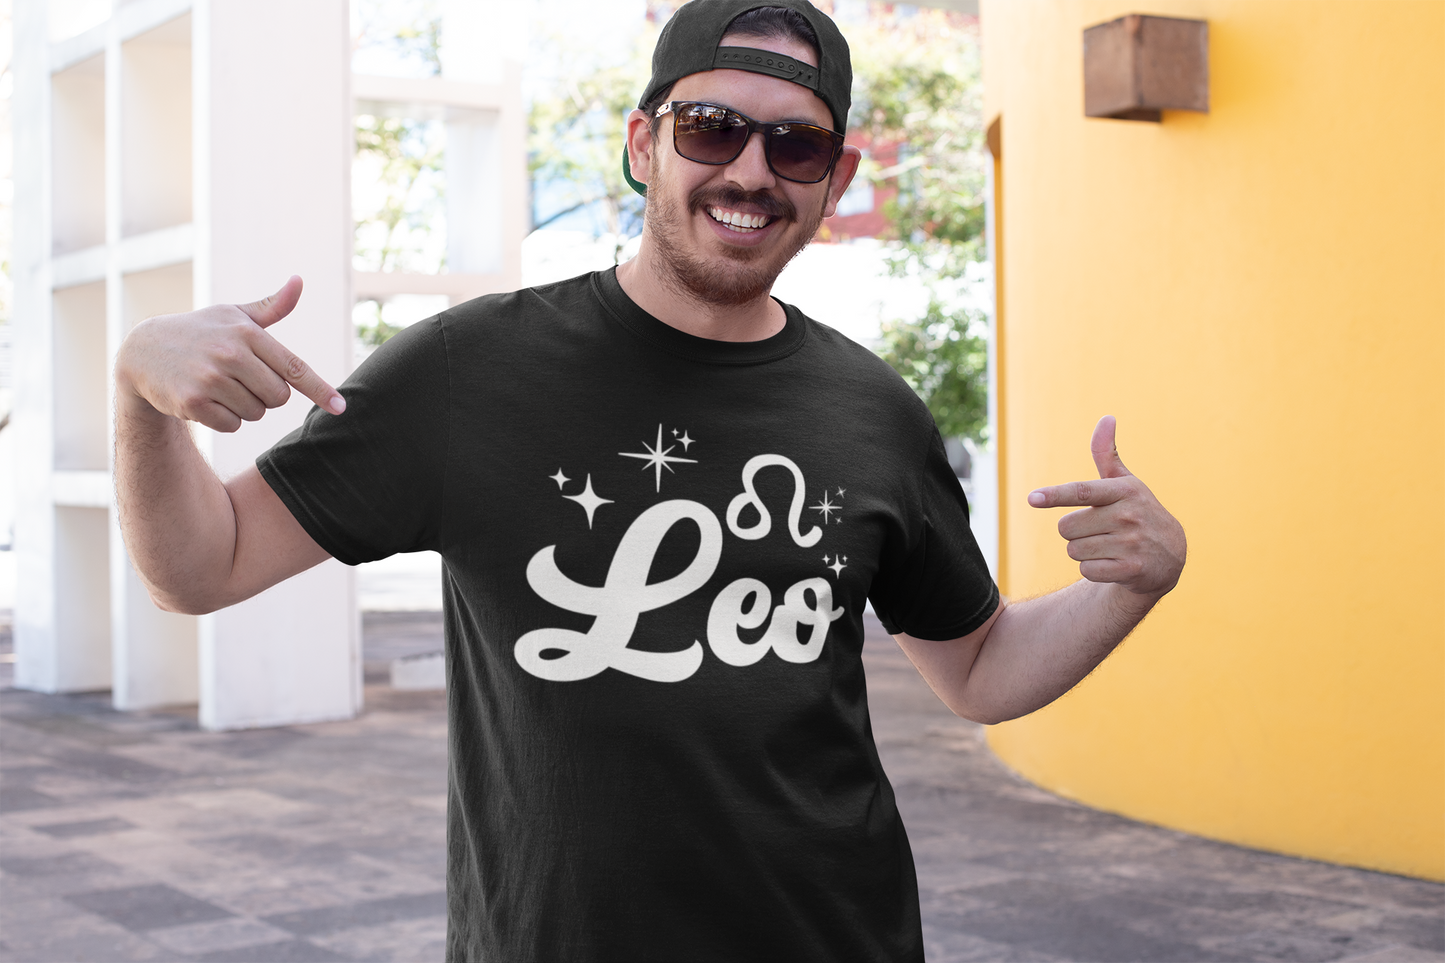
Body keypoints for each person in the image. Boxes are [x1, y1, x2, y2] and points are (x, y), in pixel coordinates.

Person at [113, 1, 1186, 959]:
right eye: (711, 128)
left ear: (836, 180)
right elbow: (203, 569)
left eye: (796, 145)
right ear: (642, 142)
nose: (751, 172)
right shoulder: (464, 373)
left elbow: (981, 674)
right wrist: (139, 396)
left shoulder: (872, 411)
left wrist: (1127, 587)